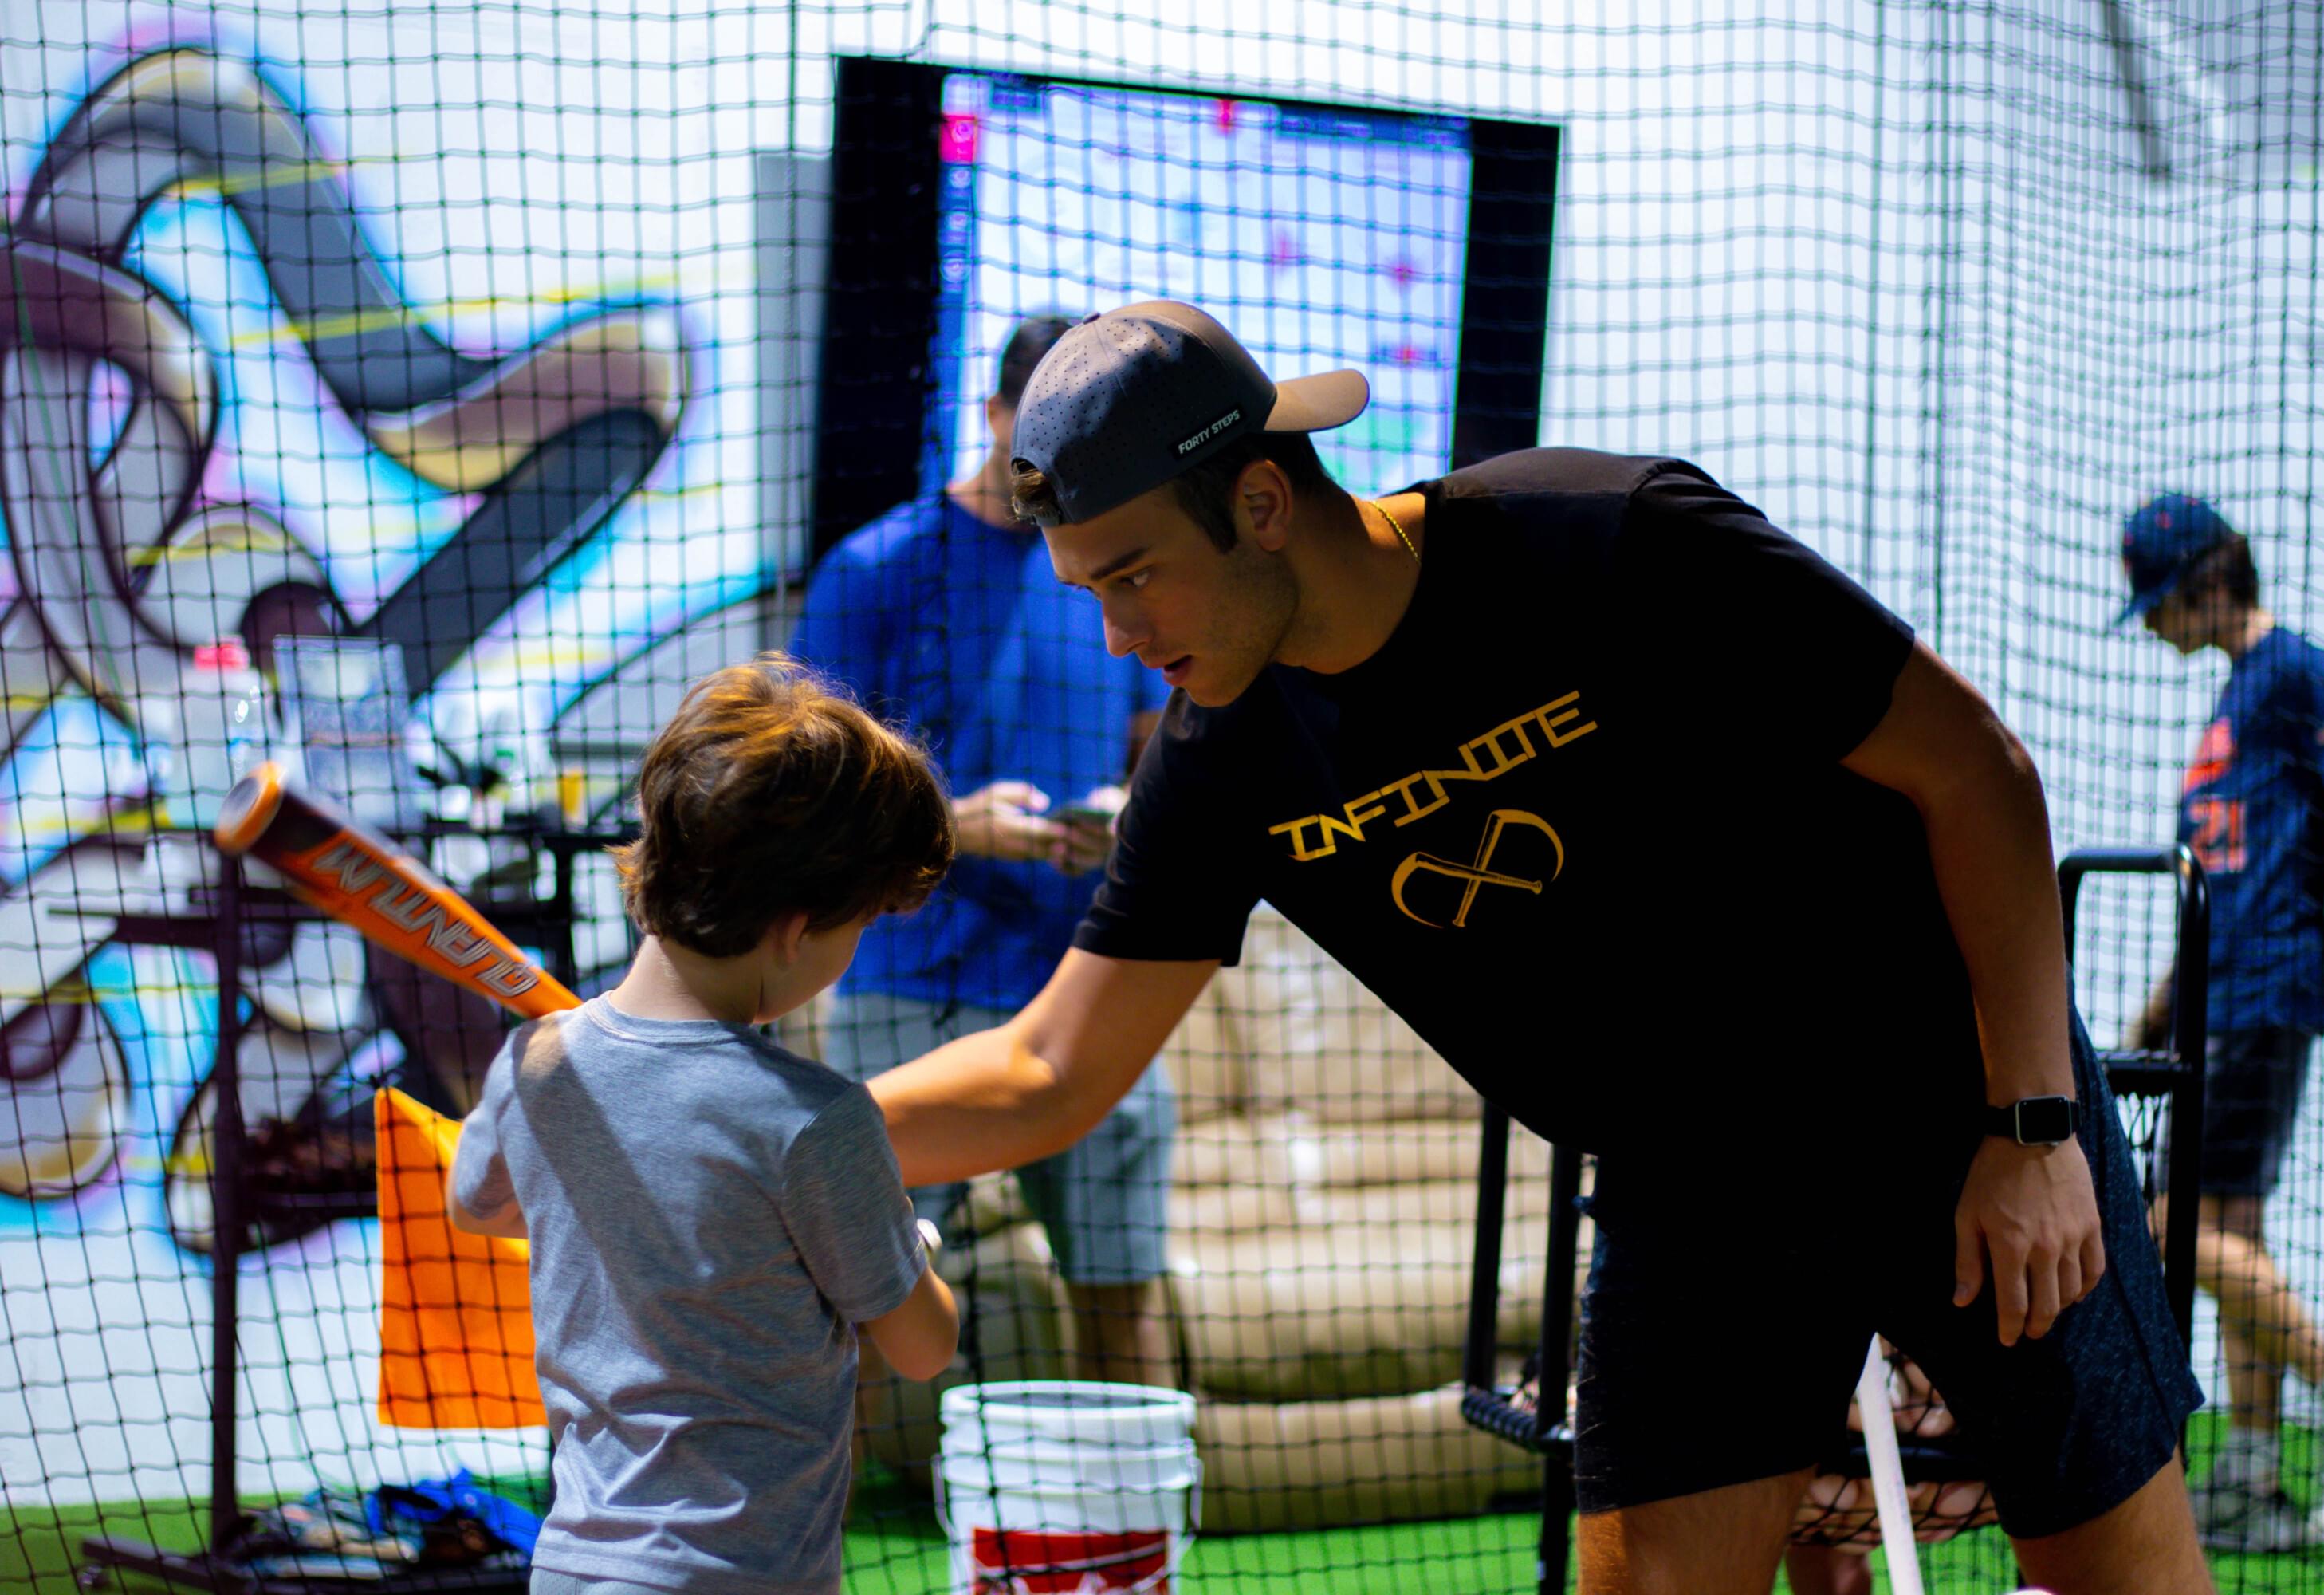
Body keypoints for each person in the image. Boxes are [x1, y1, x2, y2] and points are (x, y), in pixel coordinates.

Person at [864, 300, 2216, 1595]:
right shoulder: (1222, 759)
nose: (1117, 637)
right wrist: (789, 1135)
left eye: (1135, 576)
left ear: (1263, 503)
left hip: (1944, 1105)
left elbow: (1977, 770)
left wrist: (2034, 1127)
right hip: (1696, 1179)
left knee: (2116, 1578)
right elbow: (1053, 1068)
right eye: (1092, 591)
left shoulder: (1610, 538)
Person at [445, 657, 960, 1595]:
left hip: (572, 1564)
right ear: (796, 927)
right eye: (860, 923)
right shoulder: (815, 1119)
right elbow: (925, 1345)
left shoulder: (536, 1061)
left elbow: (476, 1204)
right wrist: (908, 1243)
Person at [796, 314, 1178, 1388]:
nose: (1063, 479)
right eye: (1040, 447)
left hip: (1090, 986)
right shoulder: (874, 568)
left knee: (1120, 1296)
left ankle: (1123, 1500)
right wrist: (953, 824)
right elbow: (806, 789)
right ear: (995, 416)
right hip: (911, 985)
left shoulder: (1110, 564)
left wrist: (1125, 811)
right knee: (855, 1305)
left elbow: (1161, 747)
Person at [2118, 493, 2324, 1551]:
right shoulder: (2237, 695)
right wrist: (2155, 1009)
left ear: (2205, 581)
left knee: (2167, 1226)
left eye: (2156, 601)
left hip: (2265, 994)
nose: (2150, 623)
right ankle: (2251, 1468)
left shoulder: (2300, 673)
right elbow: (2217, 883)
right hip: (2215, 1000)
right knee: (2233, 1231)